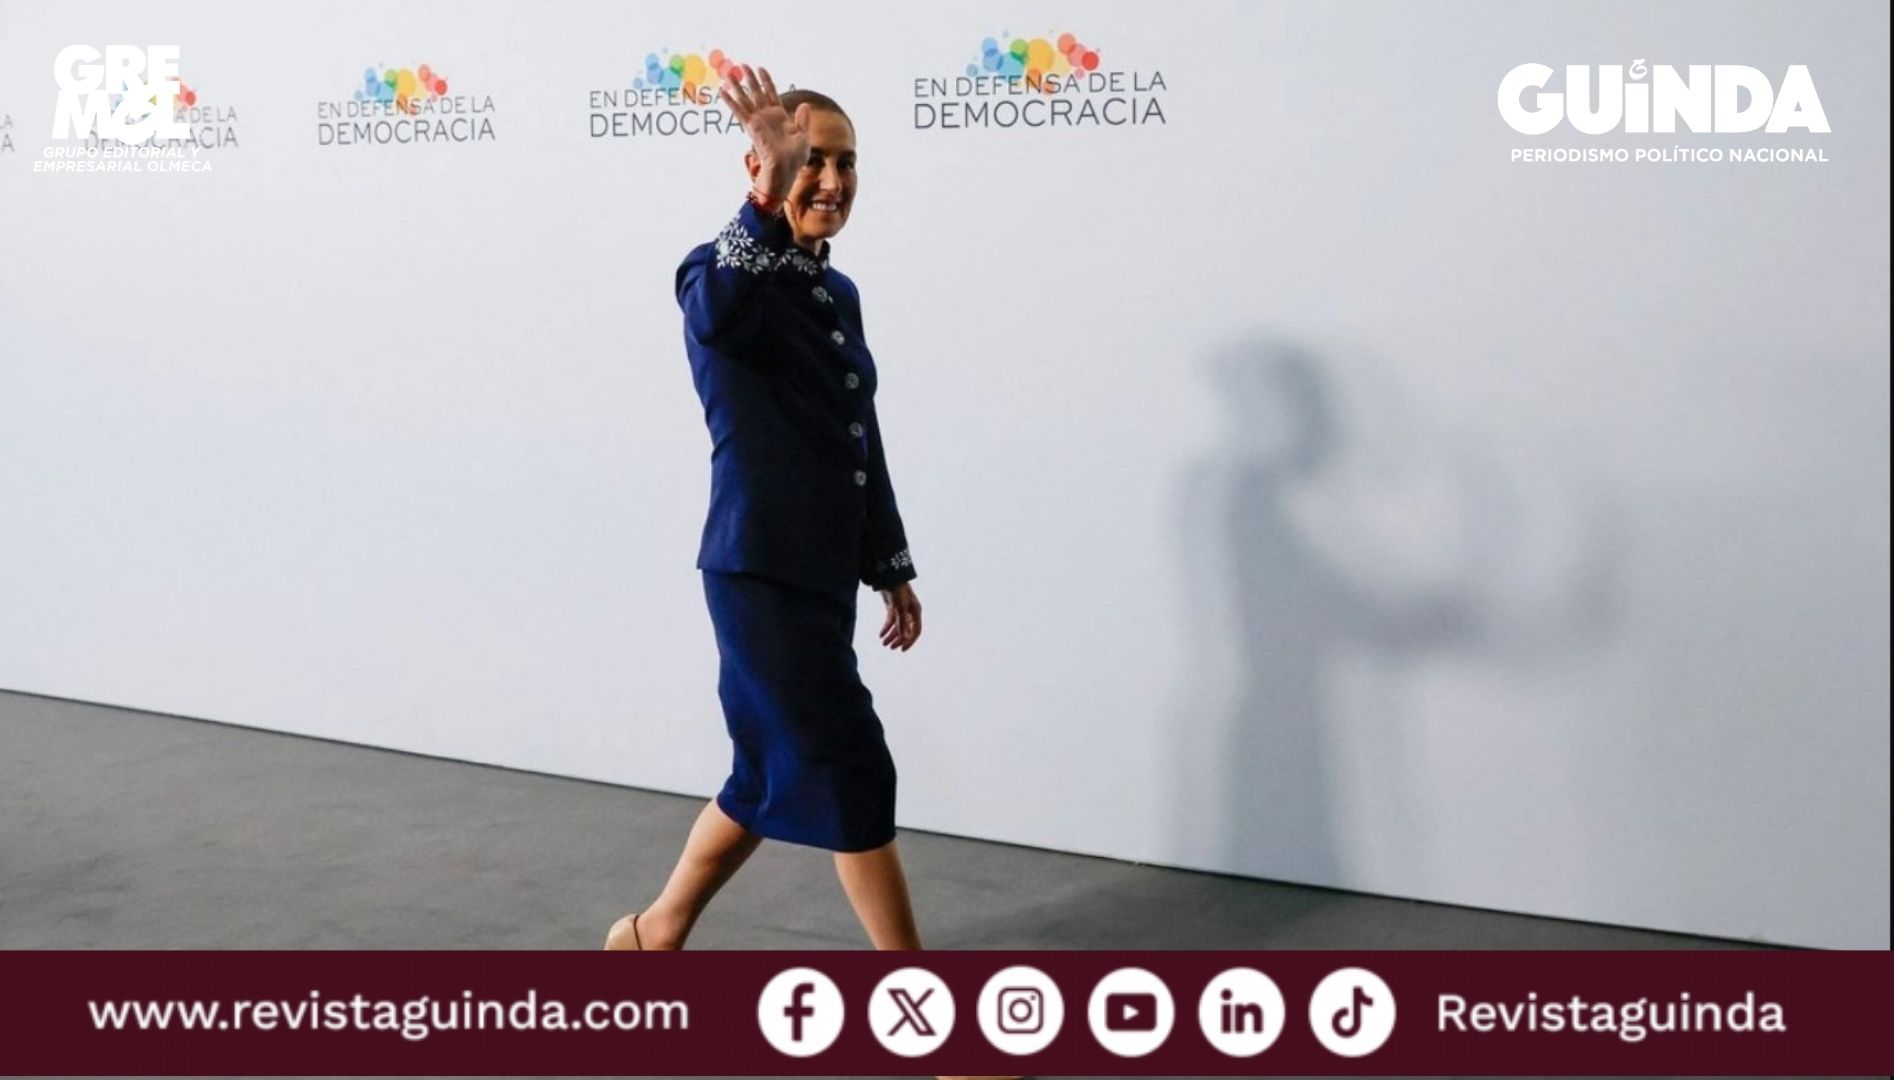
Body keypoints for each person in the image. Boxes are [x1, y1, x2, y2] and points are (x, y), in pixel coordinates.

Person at [606, 69, 939, 956]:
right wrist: (764, 196)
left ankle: (653, 933)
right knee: (853, 767)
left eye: (845, 162)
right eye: (808, 161)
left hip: (821, 574)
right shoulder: (716, 274)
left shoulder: (839, 293)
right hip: (759, 573)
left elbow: (857, 436)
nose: (831, 181)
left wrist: (890, 565)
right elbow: (717, 314)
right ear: (758, 165)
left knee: (761, 775)